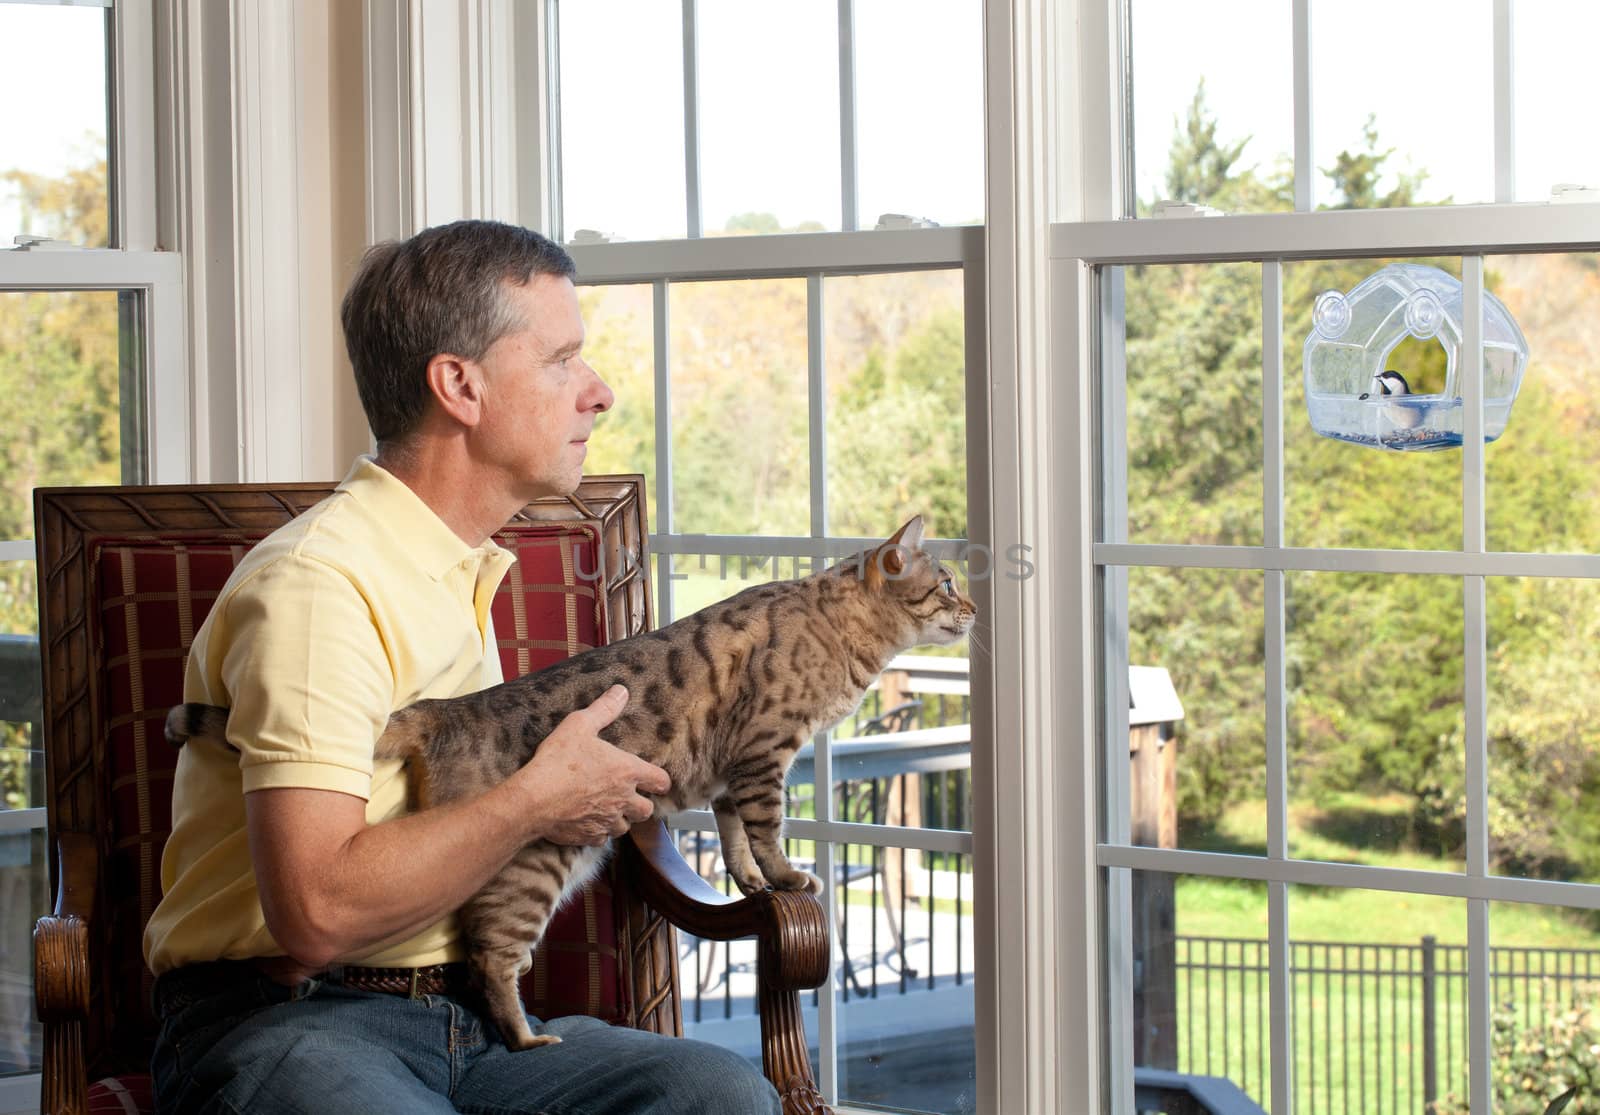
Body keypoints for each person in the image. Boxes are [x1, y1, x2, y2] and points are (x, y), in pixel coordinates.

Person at [143, 219, 782, 1114]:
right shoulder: (320, 586)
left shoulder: (457, 564)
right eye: (562, 360)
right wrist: (537, 799)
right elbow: (316, 911)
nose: (598, 393)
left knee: (718, 1094)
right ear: (459, 386)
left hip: (468, 1019)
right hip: (289, 1022)